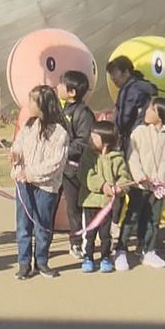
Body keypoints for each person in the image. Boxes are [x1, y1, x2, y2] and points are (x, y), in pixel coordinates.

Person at [118, 97, 165, 270]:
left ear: (161, 115)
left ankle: (148, 250)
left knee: (153, 220)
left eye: (151, 109)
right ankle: (120, 250)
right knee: (132, 217)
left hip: (159, 187)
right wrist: (140, 176)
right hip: (139, 185)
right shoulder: (139, 132)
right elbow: (132, 157)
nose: (146, 112)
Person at [9, 85, 68, 280]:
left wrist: (31, 173)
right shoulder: (28, 125)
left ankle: (41, 261)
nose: (29, 103)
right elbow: (18, 144)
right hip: (23, 185)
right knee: (23, 225)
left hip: (46, 188)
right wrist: (15, 154)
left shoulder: (59, 132)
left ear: (43, 104)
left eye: (32, 100)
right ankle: (24, 263)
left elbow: (56, 163)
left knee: (42, 225)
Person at [77, 120, 130, 274]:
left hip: (108, 205)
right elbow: (84, 174)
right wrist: (102, 186)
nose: (90, 138)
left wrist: (120, 188)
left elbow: (125, 178)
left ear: (106, 142)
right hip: (90, 202)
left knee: (106, 234)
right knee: (90, 232)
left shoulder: (118, 158)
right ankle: (88, 257)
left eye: (94, 136)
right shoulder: (87, 155)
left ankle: (105, 257)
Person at [58, 70, 96, 259]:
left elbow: (83, 142)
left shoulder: (83, 113)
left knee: (79, 208)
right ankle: (73, 241)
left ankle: (79, 242)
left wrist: (62, 151)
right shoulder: (63, 110)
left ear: (72, 92)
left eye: (61, 84)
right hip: (63, 169)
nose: (58, 87)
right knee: (69, 208)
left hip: (79, 169)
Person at [107, 56, 156, 149]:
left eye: (114, 73)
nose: (112, 78)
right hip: (140, 135)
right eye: (111, 74)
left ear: (126, 72)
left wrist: (115, 130)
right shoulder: (138, 86)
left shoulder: (131, 89)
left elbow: (125, 118)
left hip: (133, 137)